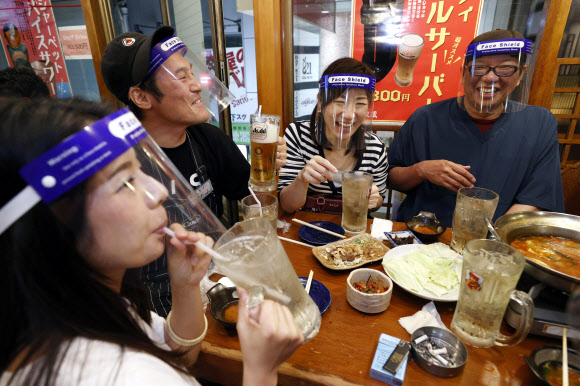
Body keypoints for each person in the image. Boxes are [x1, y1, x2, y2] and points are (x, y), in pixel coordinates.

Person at [0, 98, 303, 385]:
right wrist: (261, 370)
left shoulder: (91, 308)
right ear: (51, 224)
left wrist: (184, 287)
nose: (158, 191)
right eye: (125, 182)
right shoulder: (119, 375)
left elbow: (179, 357)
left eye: (139, 170)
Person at [100, 26, 287, 316]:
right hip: (158, 302)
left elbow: (254, 200)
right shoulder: (117, 165)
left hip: (219, 277)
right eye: (182, 76)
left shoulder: (206, 137)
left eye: (191, 71)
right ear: (142, 97)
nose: (198, 85)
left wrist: (269, 171)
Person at [387, 29, 564, 226]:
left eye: (505, 69)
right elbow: (392, 177)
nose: (490, 78)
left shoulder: (539, 122)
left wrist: (490, 238)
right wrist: (421, 170)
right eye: (478, 68)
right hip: (424, 236)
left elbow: (538, 198)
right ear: (463, 71)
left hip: (497, 243)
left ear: (520, 75)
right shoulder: (425, 117)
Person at [278, 57, 388, 213]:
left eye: (360, 104)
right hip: (305, 228)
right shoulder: (297, 135)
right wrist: (301, 179)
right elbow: (287, 205)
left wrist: (375, 200)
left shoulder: (375, 148)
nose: (349, 114)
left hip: (353, 229)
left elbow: (378, 200)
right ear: (321, 102)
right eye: (339, 101)